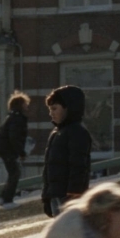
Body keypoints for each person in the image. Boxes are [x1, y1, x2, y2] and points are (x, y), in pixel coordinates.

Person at [41, 85, 92, 218]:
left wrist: (74, 193)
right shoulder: (56, 133)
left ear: (68, 108)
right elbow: (49, 168)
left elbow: (79, 166)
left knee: (71, 233)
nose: (51, 113)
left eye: (54, 108)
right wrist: (47, 195)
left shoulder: (77, 132)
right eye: (50, 109)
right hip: (56, 194)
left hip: (69, 196)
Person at [0, 91, 30, 209]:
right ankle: (7, 200)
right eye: (25, 103)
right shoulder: (17, 118)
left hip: (4, 148)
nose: (27, 106)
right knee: (15, 173)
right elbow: (14, 137)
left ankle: (3, 197)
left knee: (13, 173)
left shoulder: (12, 117)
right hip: (8, 149)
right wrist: (21, 152)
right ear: (20, 105)